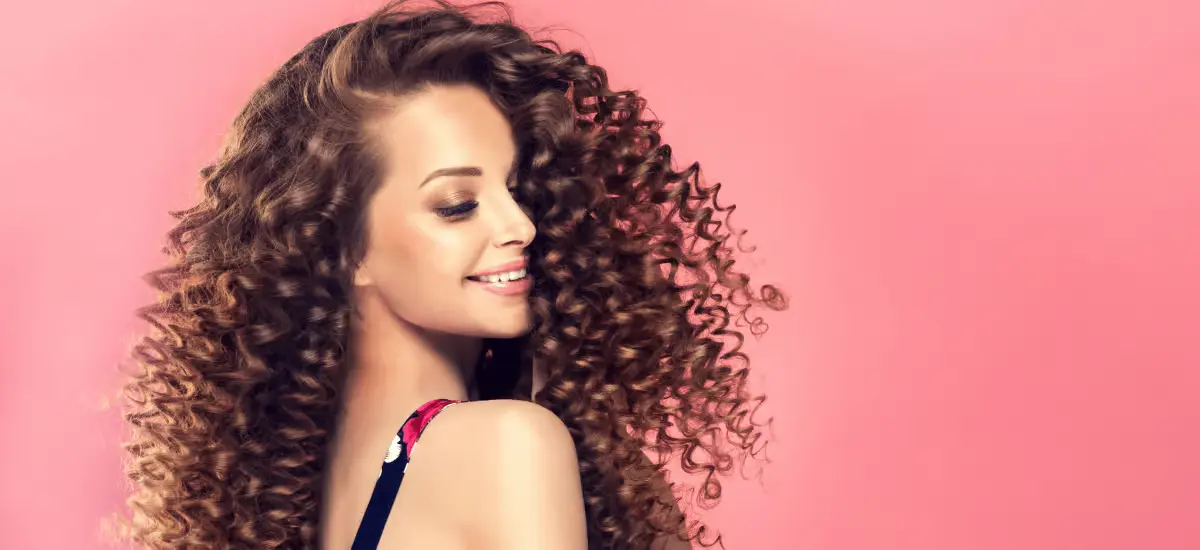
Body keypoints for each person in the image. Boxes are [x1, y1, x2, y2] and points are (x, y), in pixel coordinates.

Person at [119, 1, 786, 549]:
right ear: (346, 247)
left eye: (517, 188)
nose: (520, 224)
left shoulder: (297, 490)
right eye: (457, 204)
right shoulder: (506, 448)